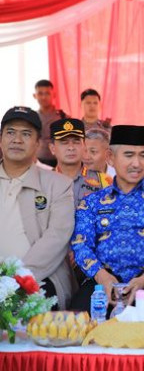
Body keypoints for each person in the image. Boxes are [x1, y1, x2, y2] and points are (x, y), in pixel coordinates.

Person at [69, 125, 144, 319]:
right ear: (110, 157)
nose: (137, 163)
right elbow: (81, 245)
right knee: (77, 324)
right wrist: (102, 276)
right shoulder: (92, 202)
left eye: (143, 155)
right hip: (103, 280)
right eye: (129, 155)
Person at [0, 106, 76, 309]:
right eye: (10, 132)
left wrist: (14, 280)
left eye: (26, 134)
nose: (17, 140)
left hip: (39, 279)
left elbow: (57, 237)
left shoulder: (58, 185)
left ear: (37, 144)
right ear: (1, 139)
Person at [49, 119, 112, 207]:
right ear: (52, 148)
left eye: (76, 142)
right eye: (64, 142)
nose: (71, 148)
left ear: (84, 145)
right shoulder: (43, 181)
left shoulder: (105, 181)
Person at [33, 79, 66, 167]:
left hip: (59, 162)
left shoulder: (63, 117)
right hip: (37, 162)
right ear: (34, 96)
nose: (44, 97)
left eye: (47, 93)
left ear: (54, 95)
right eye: (40, 93)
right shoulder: (32, 118)